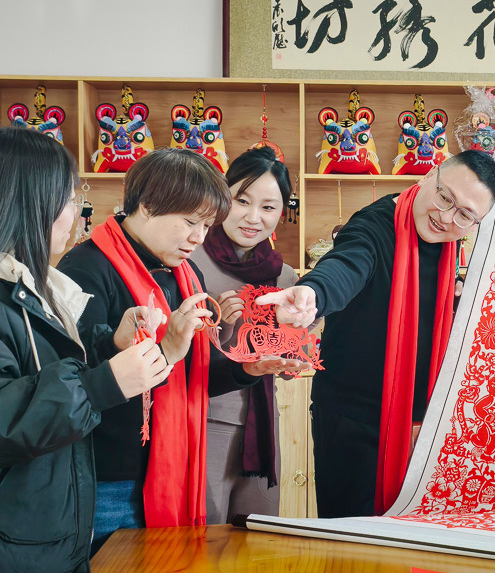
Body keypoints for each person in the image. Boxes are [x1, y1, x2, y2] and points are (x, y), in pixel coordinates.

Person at [57, 148, 308, 552]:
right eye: (190, 222)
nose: (199, 237)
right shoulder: (85, 268)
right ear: (147, 205)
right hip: (110, 476)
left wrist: (247, 369)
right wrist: (166, 349)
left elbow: (197, 374)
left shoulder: (183, 273)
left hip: (170, 464)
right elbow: (77, 381)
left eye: (206, 225)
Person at [257, 150, 495, 518]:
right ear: (428, 177)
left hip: (424, 424)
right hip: (353, 421)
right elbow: (347, 264)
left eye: (465, 215)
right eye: (444, 197)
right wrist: (314, 294)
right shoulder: (374, 226)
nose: (446, 217)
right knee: (352, 540)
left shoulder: (453, 241)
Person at [0, 128, 171, 572]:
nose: (76, 213)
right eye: (70, 199)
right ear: (32, 202)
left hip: (46, 524)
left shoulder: (40, 286)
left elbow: (41, 368)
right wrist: (100, 386)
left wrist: (108, 343)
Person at [189, 146, 298, 524]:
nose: (253, 218)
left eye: (268, 207)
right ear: (223, 196)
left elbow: (287, 368)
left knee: (259, 534)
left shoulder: (285, 277)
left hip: (263, 427)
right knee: (203, 535)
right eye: (242, 201)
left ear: (282, 212)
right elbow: (170, 349)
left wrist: (295, 341)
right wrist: (219, 326)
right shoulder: (189, 260)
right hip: (204, 421)